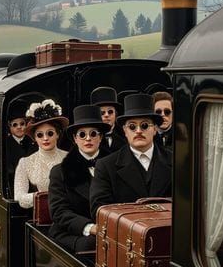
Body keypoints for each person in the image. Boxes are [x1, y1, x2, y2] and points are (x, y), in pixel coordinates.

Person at [89, 92, 171, 220]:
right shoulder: (106, 166)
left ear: (155, 129)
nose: (138, 131)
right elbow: (98, 210)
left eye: (144, 125)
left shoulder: (175, 161)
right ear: (125, 130)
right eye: (132, 126)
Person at [49, 105, 107, 253]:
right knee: (92, 245)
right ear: (75, 139)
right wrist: (90, 227)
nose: (88, 138)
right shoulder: (59, 172)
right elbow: (59, 212)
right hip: (72, 232)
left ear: (100, 137)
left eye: (93, 133)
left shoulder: (114, 166)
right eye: (82, 134)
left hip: (110, 231)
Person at [14, 100, 68, 209]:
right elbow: (19, 197)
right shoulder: (25, 163)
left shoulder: (71, 158)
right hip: (42, 217)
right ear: (34, 138)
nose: (45, 138)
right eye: (40, 135)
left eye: (50, 133)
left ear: (57, 134)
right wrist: (43, 197)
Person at [5, 101, 35, 187]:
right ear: (9, 126)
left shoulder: (33, 141)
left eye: (22, 124)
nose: (19, 127)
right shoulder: (5, 144)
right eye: (15, 125)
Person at [91, 86, 126, 155]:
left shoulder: (126, 136)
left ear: (115, 114)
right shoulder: (86, 138)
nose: (106, 115)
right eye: (102, 113)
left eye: (110, 111)